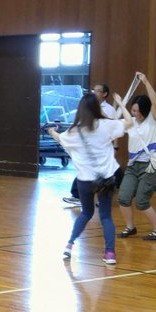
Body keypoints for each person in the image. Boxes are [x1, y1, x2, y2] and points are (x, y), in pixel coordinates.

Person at [48, 92, 132, 264]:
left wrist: (51, 131)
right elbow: (129, 123)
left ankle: (69, 246)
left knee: (86, 213)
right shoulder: (106, 125)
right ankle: (110, 254)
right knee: (106, 216)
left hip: (85, 180)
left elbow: (59, 138)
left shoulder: (73, 132)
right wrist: (121, 104)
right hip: (105, 179)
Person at [118, 72, 156, 241]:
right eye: (133, 110)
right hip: (133, 166)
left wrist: (145, 81)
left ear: (145, 110)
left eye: (138, 110)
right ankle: (130, 227)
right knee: (123, 198)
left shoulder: (153, 120)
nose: (135, 113)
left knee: (142, 202)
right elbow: (113, 127)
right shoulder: (129, 122)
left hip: (150, 167)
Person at [64, 83, 119, 206]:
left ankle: (100, 197)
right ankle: (78, 196)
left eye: (98, 91)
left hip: (102, 147)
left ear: (105, 94)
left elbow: (114, 128)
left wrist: (115, 146)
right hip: (88, 146)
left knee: (99, 173)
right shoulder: (88, 106)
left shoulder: (109, 109)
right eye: (93, 90)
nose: (94, 92)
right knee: (85, 171)